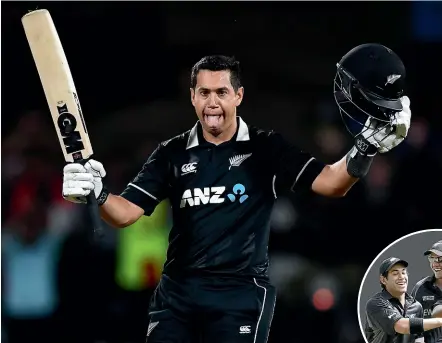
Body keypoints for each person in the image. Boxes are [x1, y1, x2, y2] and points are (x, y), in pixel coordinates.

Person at [63, 44, 412, 343]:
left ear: (238, 96)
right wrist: (98, 193)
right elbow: (124, 214)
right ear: (192, 97)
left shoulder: (266, 148)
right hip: (177, 297)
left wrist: (364, 149)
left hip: (240, 297)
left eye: (222, 93)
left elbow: (332, 183)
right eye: (204, 93)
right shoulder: (171, 153)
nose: (212, 103)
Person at [364, 257, 442, 343]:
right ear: (383, 279)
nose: (401, 277)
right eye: (395, 273)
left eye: (403, 272)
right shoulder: (376, 303)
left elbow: (418, 338)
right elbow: (401, 326)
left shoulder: (416, 306)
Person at [411, 241, 442, 343]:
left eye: (440, 259)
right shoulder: (421, 287)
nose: (435, 264)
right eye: (432, 258)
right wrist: (417, 338)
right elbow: (411, 321)